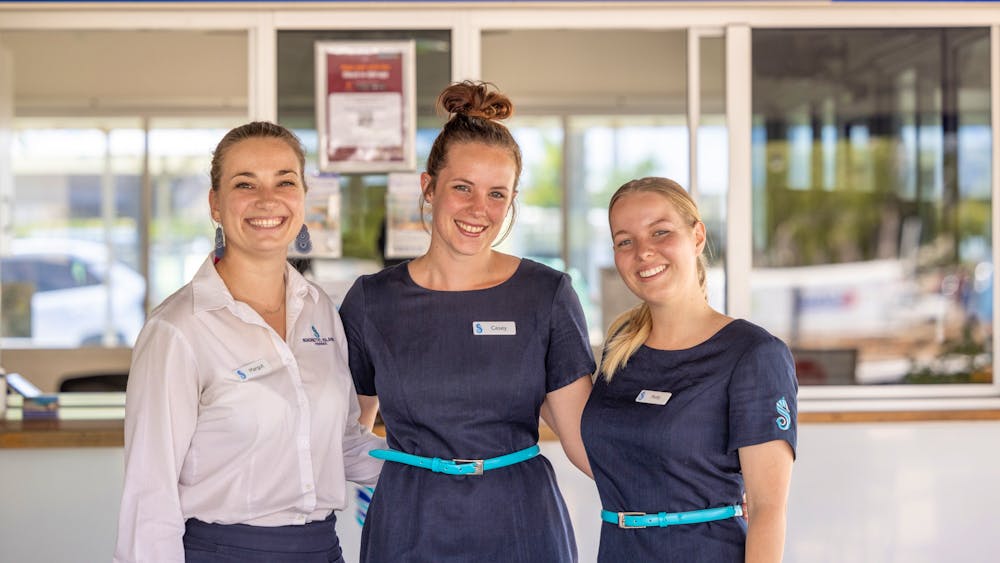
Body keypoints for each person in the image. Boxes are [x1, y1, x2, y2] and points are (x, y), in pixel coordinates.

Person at [339, 80, 595, 562]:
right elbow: (345, 430)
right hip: (409, 522)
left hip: (521, 521)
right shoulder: (373, 302)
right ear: (428, 187)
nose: (480, 209)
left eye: (497, 194)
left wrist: (693, 495)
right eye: (462, 188)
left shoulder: (546, 294)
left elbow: (582, 438)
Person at [114, 121, 385, 563]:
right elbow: (150, 495)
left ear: (302, 198)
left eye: (285, 181)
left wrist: (438, 466)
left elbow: (340, 443)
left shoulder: (318, 309)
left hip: (322, 551)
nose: (267, 200)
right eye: (245, 184)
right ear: (215, 204)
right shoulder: (178, 329)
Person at [581, 177, 797, 563]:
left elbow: (767, 511)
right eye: (625, 241)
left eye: (660, 232)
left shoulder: (754, 354)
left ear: (697, 236)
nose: (643, 252)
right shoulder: (619, 350)